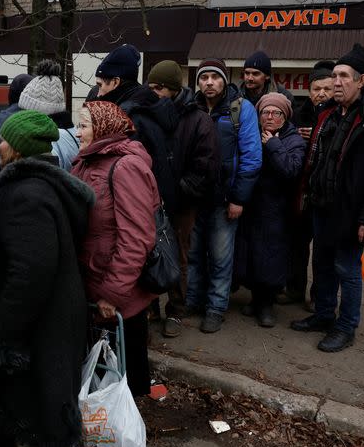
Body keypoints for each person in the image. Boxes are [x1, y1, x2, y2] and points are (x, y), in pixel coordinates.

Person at [0, 110, 94, 447]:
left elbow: (30, 270)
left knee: (35, 385)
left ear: (20, 148)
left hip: (39, 313)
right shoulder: (47, 185)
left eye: (6, 140)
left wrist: (7, 323)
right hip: (57, 308)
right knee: (51, 382)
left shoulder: (25, 193)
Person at [291, 44, 364, 353]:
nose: (336, 82)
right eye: (334, 76)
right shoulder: (327, 114)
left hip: (353, 213)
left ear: (362, 80)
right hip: (322, 206)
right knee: (323, 265)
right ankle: (324, 315)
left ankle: (346, 326)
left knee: (347, 270)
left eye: (343, 76)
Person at [71, 101, 160, 397]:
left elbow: (137, 238)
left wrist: (112, 292)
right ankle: (105, 432)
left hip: (119, 292)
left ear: (103, 129)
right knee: (101, 375)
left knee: (123, 379)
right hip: (95, 284)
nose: (77, 132)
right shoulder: (86, 161)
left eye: (83, 126)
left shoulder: (125, 167)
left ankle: (127, 434)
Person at [186, 58, 262, 334]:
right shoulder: (189, 107)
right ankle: (192, 300)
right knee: (193, 254)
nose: (208, 82)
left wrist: (239, 198)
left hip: (224, 198)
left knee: (220, 256)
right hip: (194, 197)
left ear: (225, 80)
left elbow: (252, 158)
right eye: (203, 77)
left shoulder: (242, 110)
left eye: (214, 77)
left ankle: (216, 308)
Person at [146, 60, 220, 337]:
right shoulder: (151, 113)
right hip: (152, 199)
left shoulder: (198, 119)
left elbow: (207, 164)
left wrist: (179, 191)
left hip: (182, 202)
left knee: (179, 256)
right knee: (147, 252)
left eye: (158, 88)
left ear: (172, 89)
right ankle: (150, 306)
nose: (152, 92)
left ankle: (176, 311)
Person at [234, 93, 304, 327]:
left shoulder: (293, 139)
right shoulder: (253, 134)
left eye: (277, 113)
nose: (270, 117)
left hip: (278, 210)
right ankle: (255, 299)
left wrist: (273, 144)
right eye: (265, 112)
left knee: (271, 258)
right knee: (252, 254)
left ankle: (266, 305)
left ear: (285, 117)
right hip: (254, 205)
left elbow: (291, 170)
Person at [91, 44, 179, 218]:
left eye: (100, 85)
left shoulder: (127, 117)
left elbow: (125, 177)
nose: (98, 93)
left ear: (115, 82)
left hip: (134, 210)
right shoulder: (148, 106)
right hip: (153, 206)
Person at [281, 61, 335, 308]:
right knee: (296, 246)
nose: (321, 94)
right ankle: (294, 290)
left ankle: (318, 298)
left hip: (327, 192)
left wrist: (316, 134)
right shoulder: (299, 112)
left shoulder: (339, 115)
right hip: (301, 191)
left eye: (326, 88)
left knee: (324, 251)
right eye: (316, 89)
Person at [18, 60, 80, 171]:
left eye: (26, 111)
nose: (22, 116)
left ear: (38, 113)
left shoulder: (48, 141)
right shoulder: (74, 132)